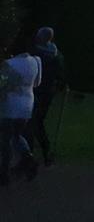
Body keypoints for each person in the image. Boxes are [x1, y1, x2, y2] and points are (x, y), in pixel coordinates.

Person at [0, 48, 41, 186]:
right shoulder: (36, 61)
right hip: (27, 105)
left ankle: (4, 173)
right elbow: (37, 83)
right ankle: (28, 159)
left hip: (10, 107)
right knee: (16, 135)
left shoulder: (8, 65)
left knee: (5, 139)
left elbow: (3, 86)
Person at [25, 27, 65, 165]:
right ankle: (41, 152)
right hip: (48, 92)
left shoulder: (35, 53)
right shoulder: (57, 54)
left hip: (36, 91)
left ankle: (32, 154)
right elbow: (60, 74)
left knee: (32, 122)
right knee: (36, 121)